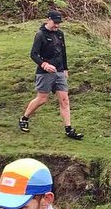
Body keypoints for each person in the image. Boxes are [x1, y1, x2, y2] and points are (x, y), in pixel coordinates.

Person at [19, 9, 84, 140]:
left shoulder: (60, 34)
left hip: (59, 72)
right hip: (45, 73)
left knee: (65, 100)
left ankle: (69, 129)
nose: (57, 25)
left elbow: (63, 52)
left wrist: (65, 68)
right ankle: (24, 118)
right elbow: (33, 54)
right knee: (42, 99)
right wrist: (44, 65)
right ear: (48, 20)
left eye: (59, 23)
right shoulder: (40, 35)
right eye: (55, 22)